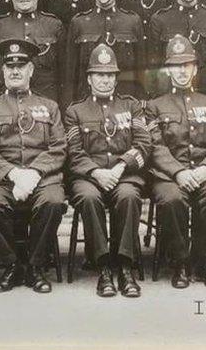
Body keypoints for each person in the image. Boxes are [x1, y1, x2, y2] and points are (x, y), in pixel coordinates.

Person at [0, 38, 67, 294]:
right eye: (10, 66)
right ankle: (11, 265)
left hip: (43, 177)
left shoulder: (50, 107)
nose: (15, 71)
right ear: (3, 71)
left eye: (21, 65)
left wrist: (34, 173)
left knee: (53, 203)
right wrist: (14, 174)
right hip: (3, 178)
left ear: (31, 70)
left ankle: (36, 266)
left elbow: (58, 147)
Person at [145, 35, 206, 289]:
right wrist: (178, 172)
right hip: (171, 175)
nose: (182, 71)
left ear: (195, 68)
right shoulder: (155, 106)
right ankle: (180, 262)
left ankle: (205, 260)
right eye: (176, 66)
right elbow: (155, 146)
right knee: (172, 200)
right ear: (168, 70)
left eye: (187, 65)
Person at [64, 44, 151, 297]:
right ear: (89, 78)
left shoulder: (131, 106)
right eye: (99, 75)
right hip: (89, 177)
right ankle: (102, 267)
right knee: (89, 199)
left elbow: (144, 144)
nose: (105, 80)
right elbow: (74, 152)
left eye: (110, 75)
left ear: (116, 78)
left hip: (124, 174)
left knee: (128, 197)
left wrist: (122, 165)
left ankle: (125, 267)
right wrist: (96, 173)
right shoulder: (75, 111)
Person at [63, 0, 145, 103]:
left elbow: (141, 71)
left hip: (125, 105)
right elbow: (70, 75)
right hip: (87, 107)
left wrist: (140, 105)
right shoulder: (79, 23)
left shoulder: (132, 21)